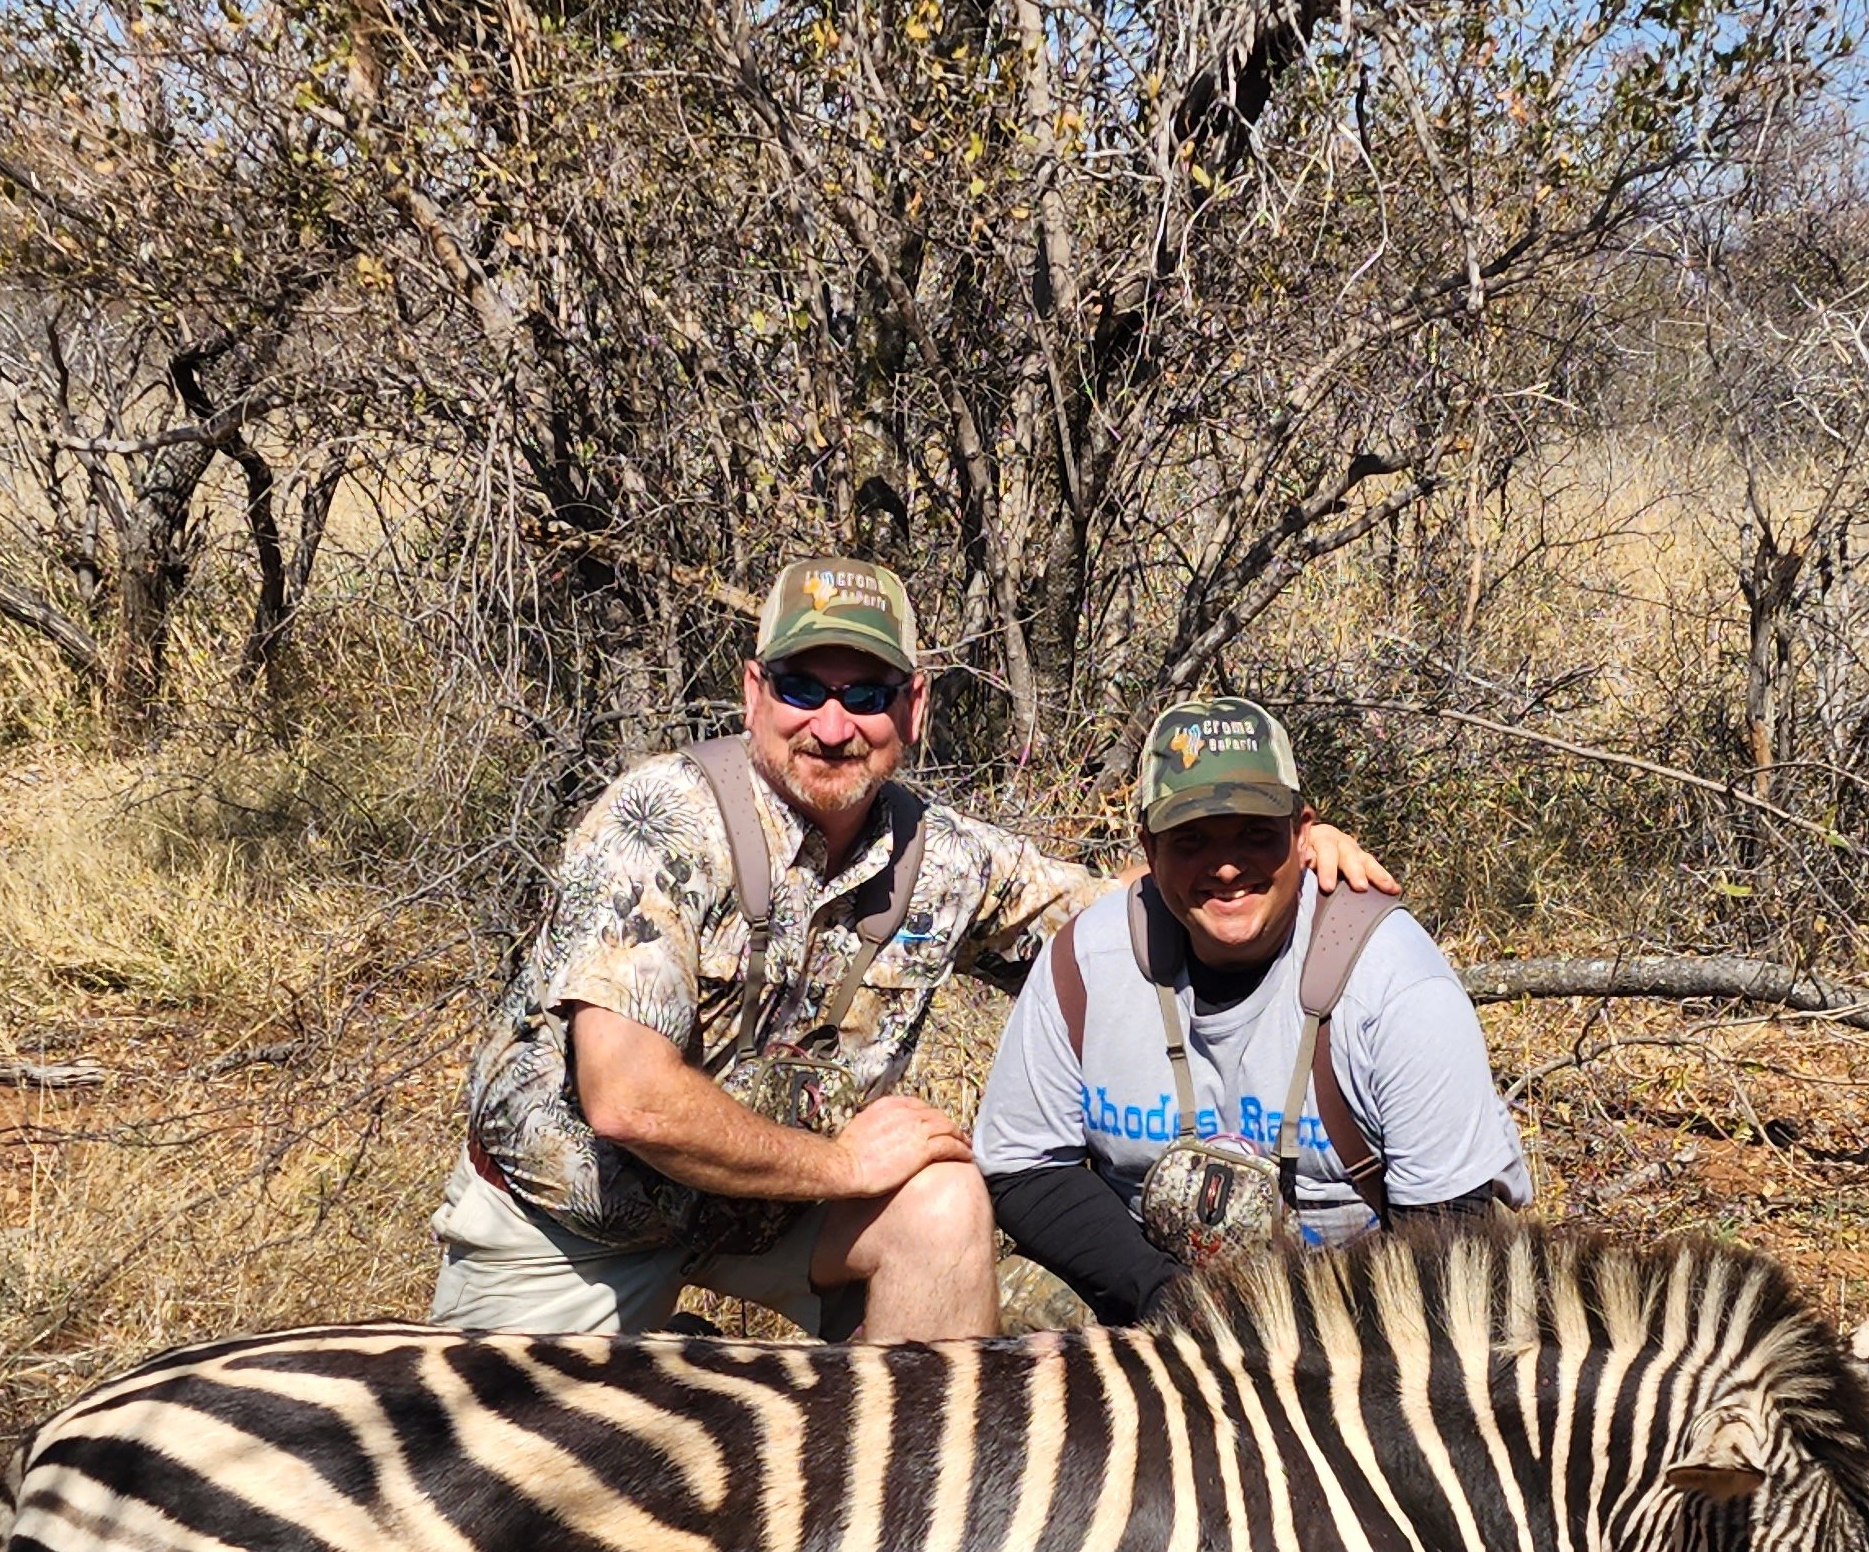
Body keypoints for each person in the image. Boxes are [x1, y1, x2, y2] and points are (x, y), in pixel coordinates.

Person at [430, 561, 1396, 1341]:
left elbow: (1143, 913)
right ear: (754, 692)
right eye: (804, 687)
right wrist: (841, 1168)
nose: (835, 725)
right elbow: (628, 1100)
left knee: (948, 1211)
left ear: (916, 705)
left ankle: (901, 1539)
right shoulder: (661, 821)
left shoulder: (946, 859)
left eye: (869, 694)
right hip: (578, 1224)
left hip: (773, 1218)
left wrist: (1272, 855)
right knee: (493, 1527)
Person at [974, 695, 1531, 1325]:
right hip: (1152, 1291)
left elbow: (1449, 1232)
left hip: (1359, 1311)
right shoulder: (1085, 958)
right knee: (1014, 1312)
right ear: (1148, 850)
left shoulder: (1395, 980)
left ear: (1303, 835)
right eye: (1191, 840)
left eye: (1256, 834)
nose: (1228, 866)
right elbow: (1020, 1167)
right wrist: (1168, 1298)